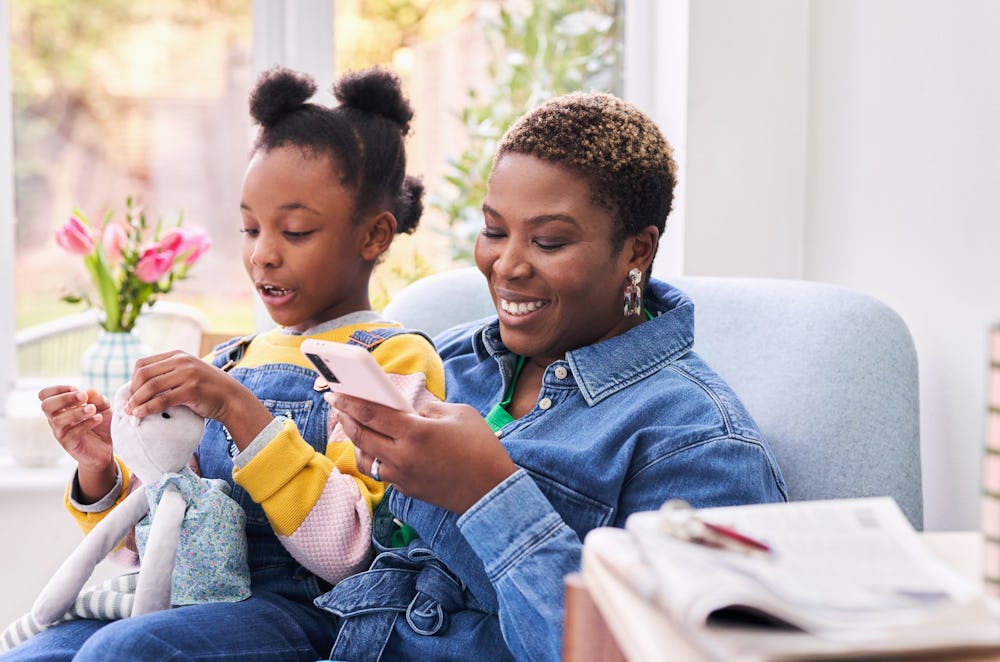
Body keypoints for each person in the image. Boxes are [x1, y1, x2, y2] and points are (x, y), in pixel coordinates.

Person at [317, 91, 788, 661]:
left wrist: (484, 493)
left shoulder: (701, 444)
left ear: (637, 250)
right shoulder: (445, 361)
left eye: (549, 241)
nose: (508, 265)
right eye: (494, 230)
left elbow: (657, 651)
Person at [3, 66, 444, 661]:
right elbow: (162, 541)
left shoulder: (390, 358)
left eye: (295, 230)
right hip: (197, 596)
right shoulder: (233, 360)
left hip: (310, 615)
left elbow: (349, 552)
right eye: (250, 228)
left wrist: (239, 409)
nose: (263, 254)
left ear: (374, 236)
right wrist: (100, 470)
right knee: (34, 656)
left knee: (123, 653)